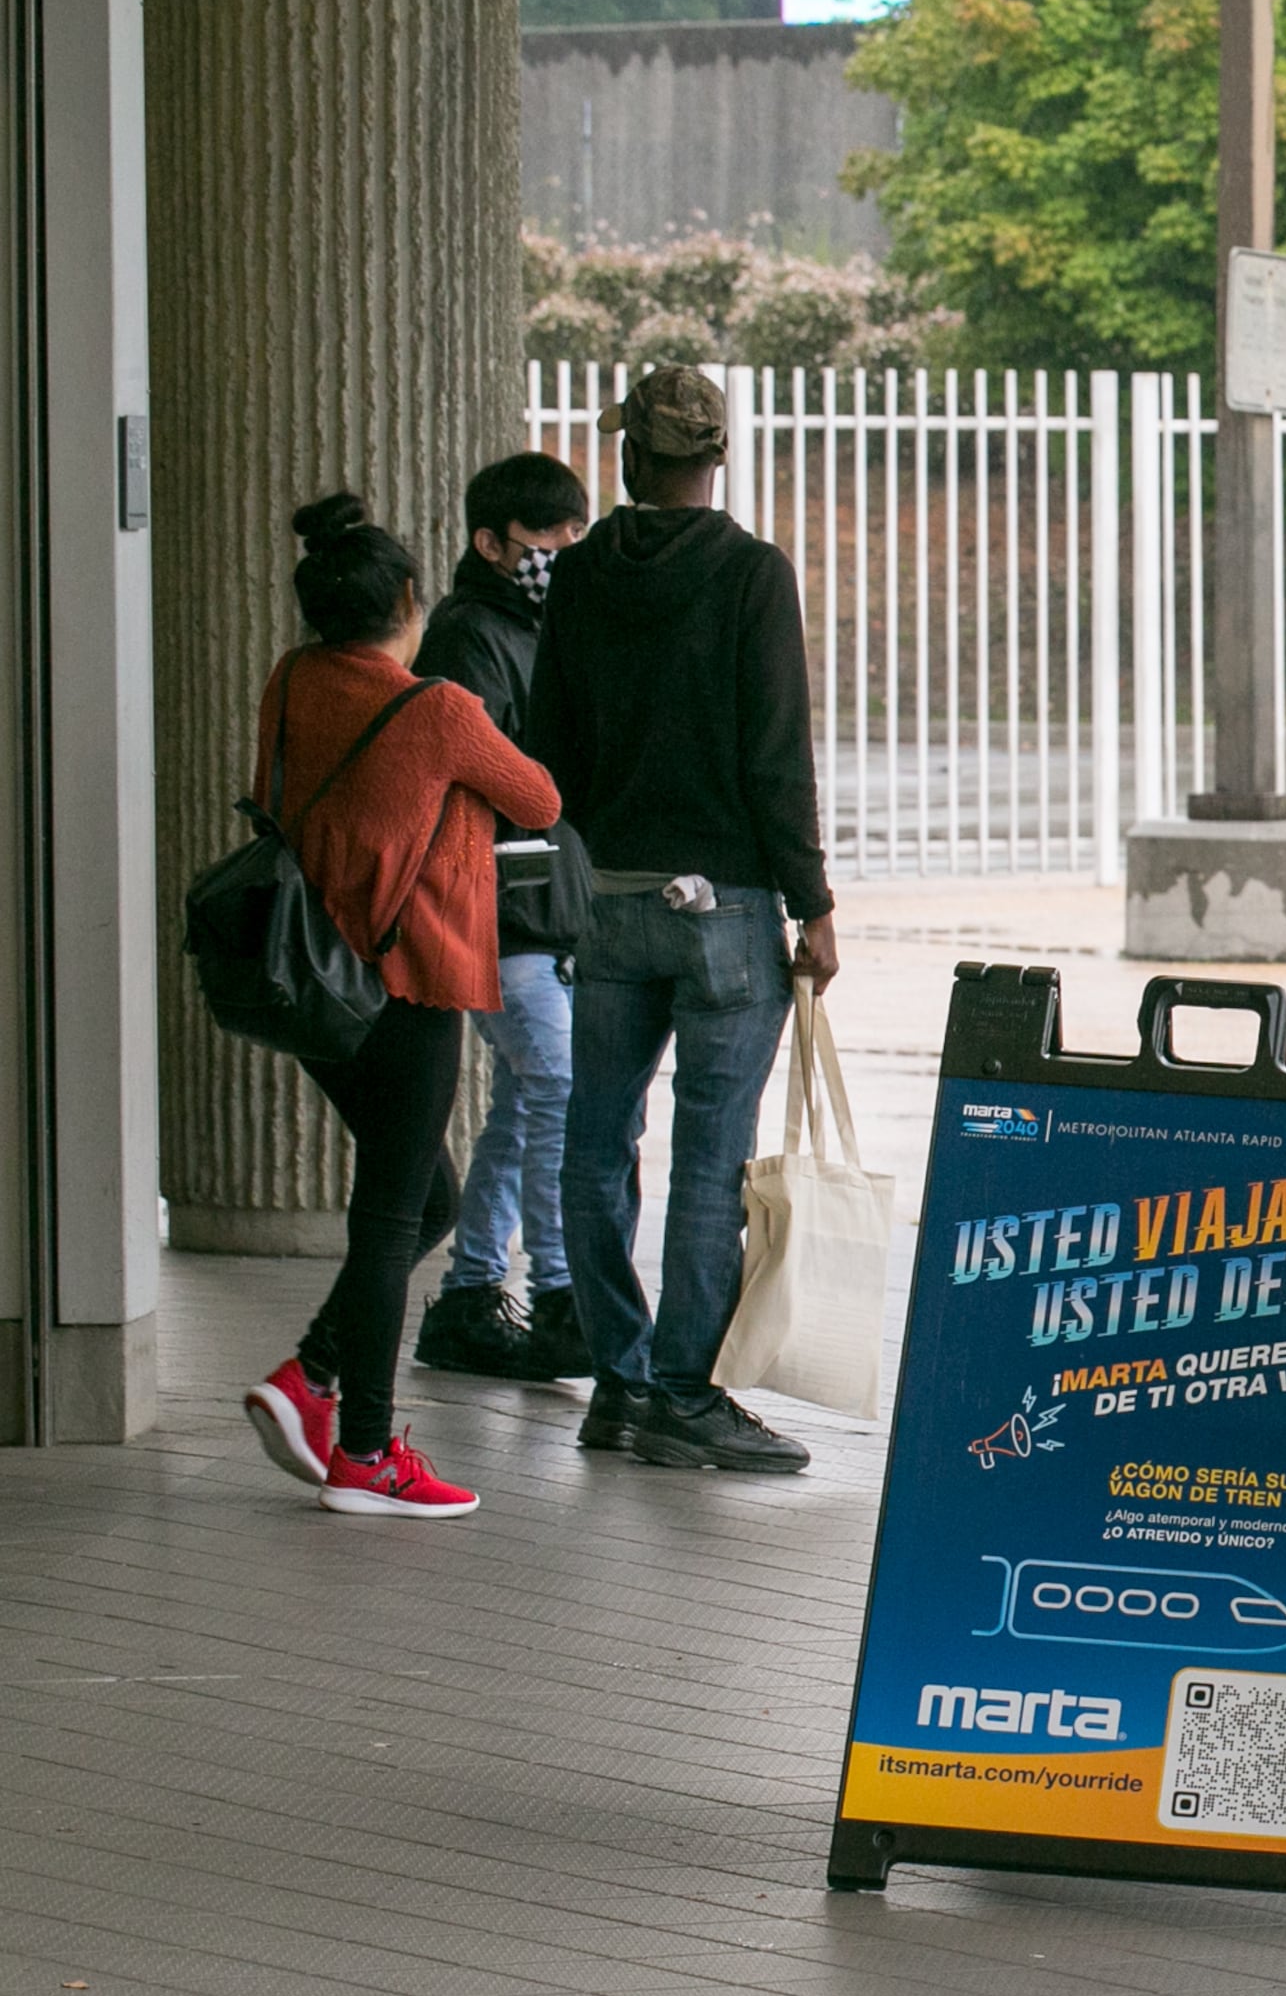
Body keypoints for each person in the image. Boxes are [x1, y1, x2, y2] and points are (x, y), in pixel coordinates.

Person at [527, 365, 838, 1476]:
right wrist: (814, 903)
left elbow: (545, 743)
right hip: (727, 906)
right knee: (713, 1159)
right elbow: (775, 751)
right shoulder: (752, 574)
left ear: (627, 459)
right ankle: (683, 1392)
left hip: (610, 898)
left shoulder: (579, 576)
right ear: (718, 457)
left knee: (594, 1141)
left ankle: (616, 1379)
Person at [236, 494, 564, 1518]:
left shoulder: (292, 680)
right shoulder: (438, 710)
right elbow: (541, 801)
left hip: (312, 984)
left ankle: (310, 1379)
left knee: (429, 1201)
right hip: (408, 986)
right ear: (410, 603)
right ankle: (367, 1453)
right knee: (393, 1216)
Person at [411, 451, 595, 1385]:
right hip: (499, 908)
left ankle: (471, 1295)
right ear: (490, 543)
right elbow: (507, 779)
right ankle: (562, 1294)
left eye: (575, 528)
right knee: (558, 1080)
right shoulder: (469, 634)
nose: (566, 546)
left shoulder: (540, 624)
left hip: (538, 905)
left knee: (530, 1093)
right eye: (548, 533)